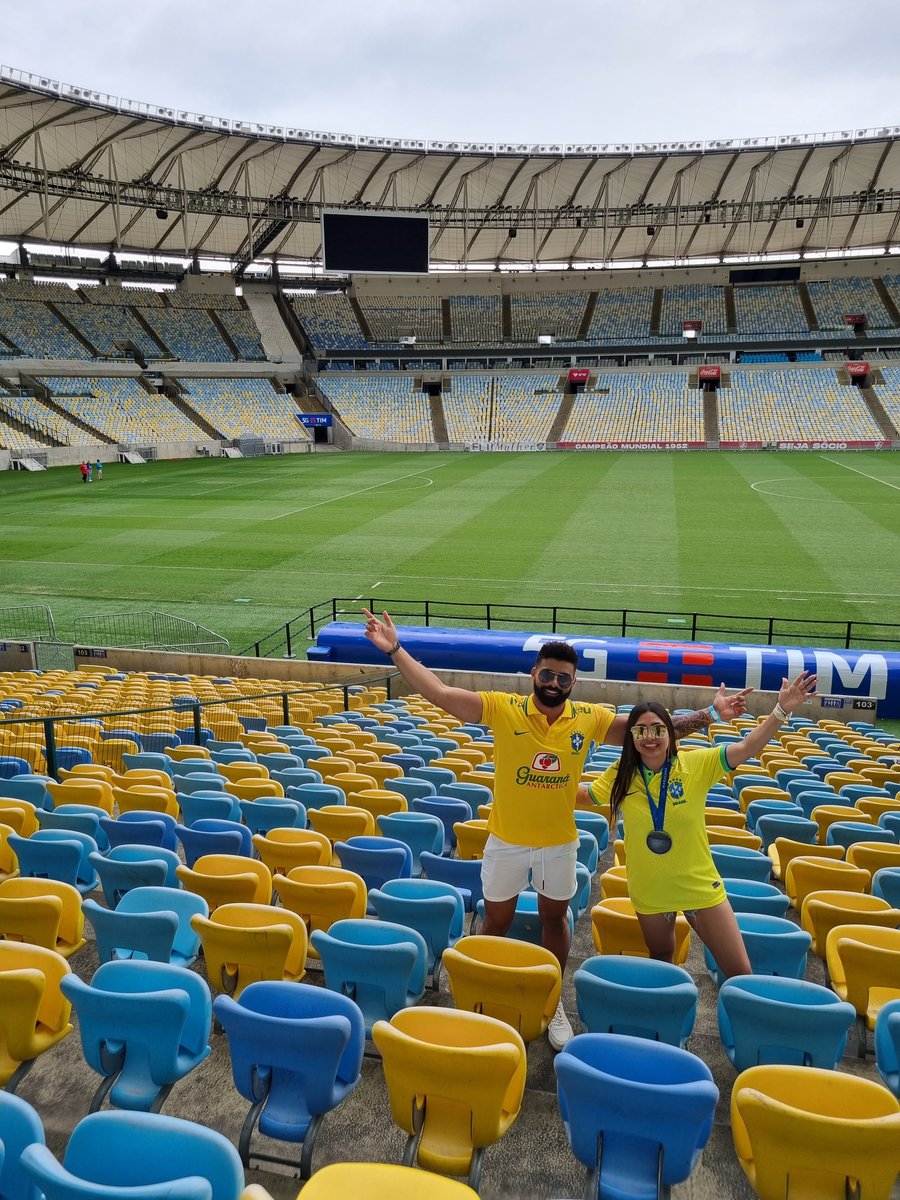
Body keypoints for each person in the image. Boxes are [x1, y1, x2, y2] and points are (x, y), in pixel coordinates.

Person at [363, 608, 751, 1049]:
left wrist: (710, 715)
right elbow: (439, 692)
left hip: (558, 845)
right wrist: (395, 649)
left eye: (564, 679)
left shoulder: (588, 718)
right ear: (534, 674)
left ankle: (551, 999)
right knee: (496, 920)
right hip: (506, 840)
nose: (554, 684)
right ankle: (486, 988)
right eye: (548, 674)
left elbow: (650, 729)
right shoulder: (502, 707)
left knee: (554, 917)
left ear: (573, 684)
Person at [577, 671, 816, 978]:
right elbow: (586, 795)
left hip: (699, 886)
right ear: (631, 737)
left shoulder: (696, 764)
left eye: (657, 729)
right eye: (639, 731)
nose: (649, 738)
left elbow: (747, 748)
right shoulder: (621, 774)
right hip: (649, 888)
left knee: (740, 972)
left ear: (670, 733)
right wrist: (536, 780)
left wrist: (780, 710)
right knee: (661, 956)